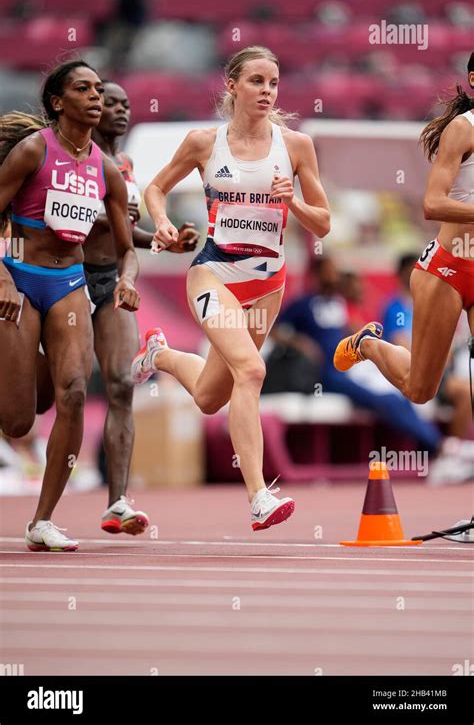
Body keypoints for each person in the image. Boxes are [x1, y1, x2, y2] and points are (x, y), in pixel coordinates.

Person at [132, 45, 331, 530]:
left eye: (274, 83)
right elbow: (155, 188)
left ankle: (157, 355)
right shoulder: (205, 142)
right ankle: (259, 495)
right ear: (232, 86)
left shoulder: (296, 146)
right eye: (257, 81)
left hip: (267, 285)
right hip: (214, 273)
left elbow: (323, 223)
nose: (267, 91)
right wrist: (160, 223)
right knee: (252, 369)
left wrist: (296, 205)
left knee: (208, 397)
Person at [0, 60, 140, 551]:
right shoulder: (33, 150)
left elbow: (126, 247)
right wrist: (1, 275)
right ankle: (23, 360)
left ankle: (42, 521)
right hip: (19, 278)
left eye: (99, 88)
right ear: (59, 103)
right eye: (83, 88)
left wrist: (126, 279)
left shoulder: (106, 168)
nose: (96, 96)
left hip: (68, 284)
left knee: (76, 393)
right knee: (17, 421)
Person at [334, 53, 474, 482]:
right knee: (420, 389)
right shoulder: (462, 128)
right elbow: (432, 203)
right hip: (447, 270)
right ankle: (370, 346)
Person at [86, 79, 199, 535]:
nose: (118, 110)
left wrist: (161, 242)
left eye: (125, 104)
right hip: (65, 278)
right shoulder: (72, 158)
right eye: (108, 102)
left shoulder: (126, 164)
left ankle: (117, 501)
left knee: (120, 385)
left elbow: (121, 231)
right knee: (51, 397)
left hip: (114, 280)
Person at [272, 256, 447, 457]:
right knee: (386, 400)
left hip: (352, 367)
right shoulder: (303, 303)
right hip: (327, 373)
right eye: (330, 271)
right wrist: (301, 343)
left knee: (397, 394)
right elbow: (276, 330)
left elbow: (350, 325)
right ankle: (438, 447)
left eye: (335, 271)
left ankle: (429, 445)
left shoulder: (338, 303)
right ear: (318, 274)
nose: (334, 275)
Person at [382, 253, 473, 444]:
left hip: (441, 368)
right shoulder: (395, 308)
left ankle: (454, 448)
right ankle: (451, 450)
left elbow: (447, 341)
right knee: (465, 392)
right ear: (401, 275)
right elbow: (399, 342)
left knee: (468, 389)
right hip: (417, 365)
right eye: (409, 272)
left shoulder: (431, 303)